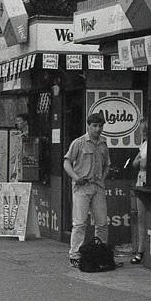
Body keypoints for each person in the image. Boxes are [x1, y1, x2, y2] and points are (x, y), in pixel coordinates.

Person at [63, 113, 111, 268]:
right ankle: (74, 256)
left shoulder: (103, 144)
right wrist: (76, 177)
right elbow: (66, 162)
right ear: (88, 125)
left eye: (100, 126)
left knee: (102, 223)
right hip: (82, 187)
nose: (98, 129)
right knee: (79, 223)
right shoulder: (79, 143)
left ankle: (101, 253)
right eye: (95, 126)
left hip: (97, 187)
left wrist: (102, 178)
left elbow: (107, 164)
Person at [129, 118, 148, 264]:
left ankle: (143, 249)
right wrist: (141, 161)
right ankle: (140, 249)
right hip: (141, 179)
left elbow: (145, 163)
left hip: (148, 179)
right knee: (141, 217)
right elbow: (136, 162)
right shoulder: (144, 145)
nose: (143, 133)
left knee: (146, 216)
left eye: (144, 130)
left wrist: (143, 162)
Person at [11, 113, 29, 182]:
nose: (17, 123)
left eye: (19, 121)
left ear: (25, 122)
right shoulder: (21, 135)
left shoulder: (25, 136)